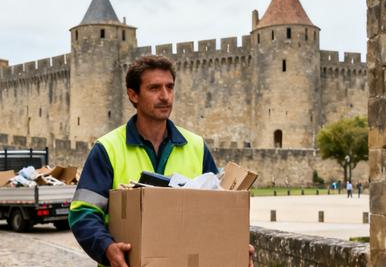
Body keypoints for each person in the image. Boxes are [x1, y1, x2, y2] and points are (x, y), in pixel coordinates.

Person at [68, 55, 253, 267]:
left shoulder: (197, 146)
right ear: (133, 94)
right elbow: (83, 212)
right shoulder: (108, 149)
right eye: (154, 88)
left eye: (170, 87)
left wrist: (235, 246)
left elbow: (219, 211)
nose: (165, 96)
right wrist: (106, 248)